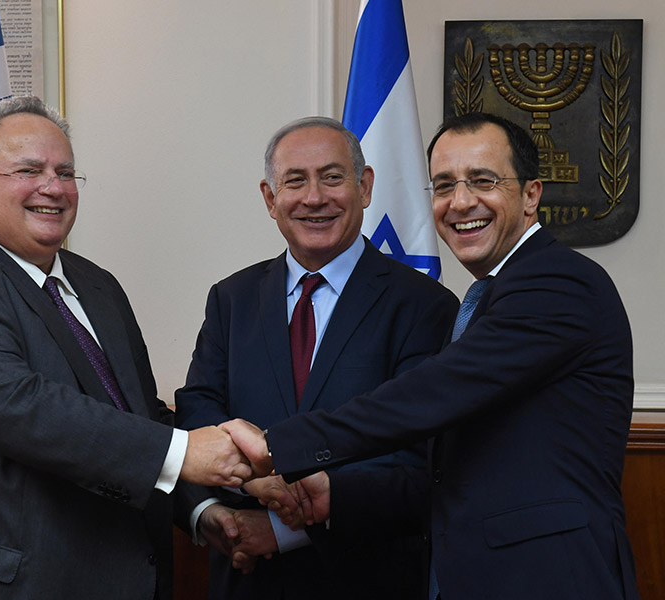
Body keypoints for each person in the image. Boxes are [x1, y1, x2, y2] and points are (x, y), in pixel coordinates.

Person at [223, 112, 640, 600]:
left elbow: (429, 396)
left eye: (482, 181)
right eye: (443, 186)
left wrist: (274, 447)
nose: (460, 203)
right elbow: (457, 466)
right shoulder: (490, 298)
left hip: (549, 578)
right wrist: (338, 493)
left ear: (531, 194)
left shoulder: (558, 283)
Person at [0, 96, 251, 599]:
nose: (53, 187)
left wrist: (202, 508)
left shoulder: (98, 287)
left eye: (65, 171)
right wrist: (184, 453)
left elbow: (139, 416)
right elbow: (23, 409)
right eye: (29, 169)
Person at [176, 116, 458, 599]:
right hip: (247, 581)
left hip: (366, 578)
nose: (314, 198)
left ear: (364, 187)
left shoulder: (424, 306)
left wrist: (286, 528)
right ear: (270, 198)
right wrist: (238, 496)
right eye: (295, 181)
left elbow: (418, 458)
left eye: (332, 177)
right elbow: (200, 409)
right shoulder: (232, 299)